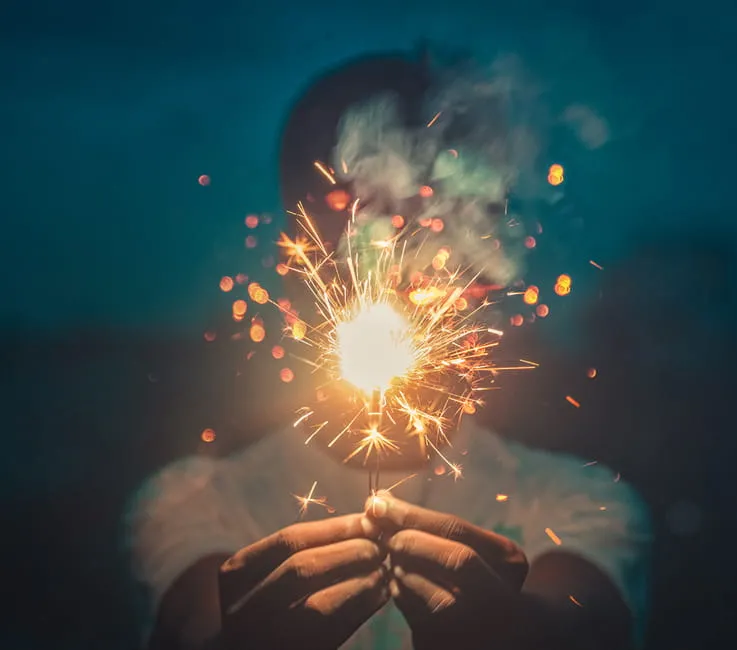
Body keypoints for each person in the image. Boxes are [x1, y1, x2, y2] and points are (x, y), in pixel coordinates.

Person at [126, 51, 652, 650]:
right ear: (293, 249)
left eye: (432, 210)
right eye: (354, 208)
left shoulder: (578, 499)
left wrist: (520, 633)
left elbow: (580, 624)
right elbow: (192, 623)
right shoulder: (193, 500)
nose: (399, 250)